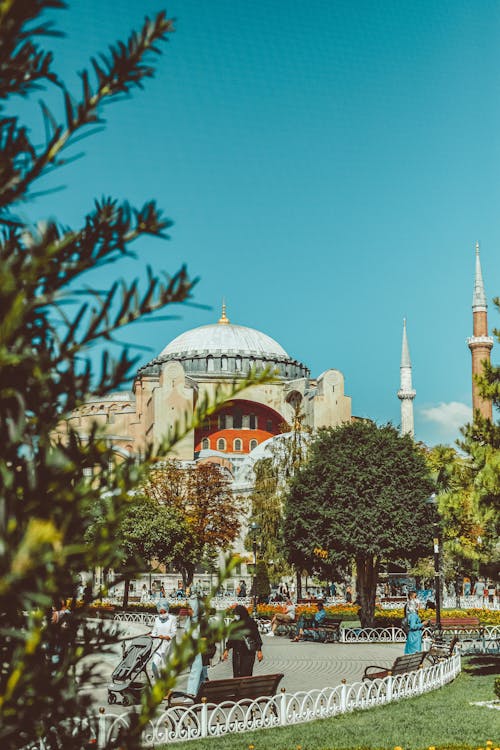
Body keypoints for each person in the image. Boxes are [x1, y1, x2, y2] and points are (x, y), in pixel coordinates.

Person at [222, 604, 263, 677]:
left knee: (246, 672)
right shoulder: (234, 623)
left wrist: (259, 651)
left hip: (248, 652)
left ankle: (246, 688)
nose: (235, 616)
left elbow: (257, 637)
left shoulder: (250, 622)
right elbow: (231, 638)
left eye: (237, 614)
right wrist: (226, 650)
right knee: (237, 672)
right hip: (237, 652)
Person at [150, 602, 177, 681]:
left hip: (168, 647)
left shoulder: (172, 618)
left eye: (164, 612)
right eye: (160, 612)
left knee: (165, 668)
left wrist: (166, 637)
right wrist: (151, 635)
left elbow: (174, 632)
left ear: (167, 610)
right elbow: (154, 631)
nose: (162, 614)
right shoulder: (157, 619)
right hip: (158, 647)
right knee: (154, 666)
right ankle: (158, 682)